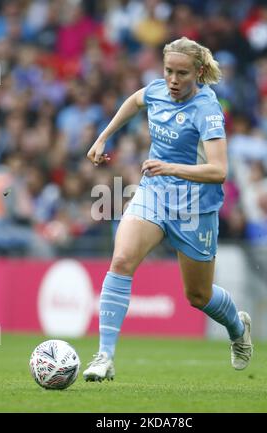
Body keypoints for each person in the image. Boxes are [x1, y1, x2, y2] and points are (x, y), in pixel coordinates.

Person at [83, 37, 253, 382]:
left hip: (195, 206)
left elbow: (219, 171)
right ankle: (104, 356)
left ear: (199, 72)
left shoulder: (208, 110)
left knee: (198, 295)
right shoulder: (158, 90)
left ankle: (238, 326)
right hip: (154, 194)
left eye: (182, 74)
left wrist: (171, 167)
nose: (173, 80)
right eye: (169, 71)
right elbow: (134, 100)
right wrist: (104, 137)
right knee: (121, 260)